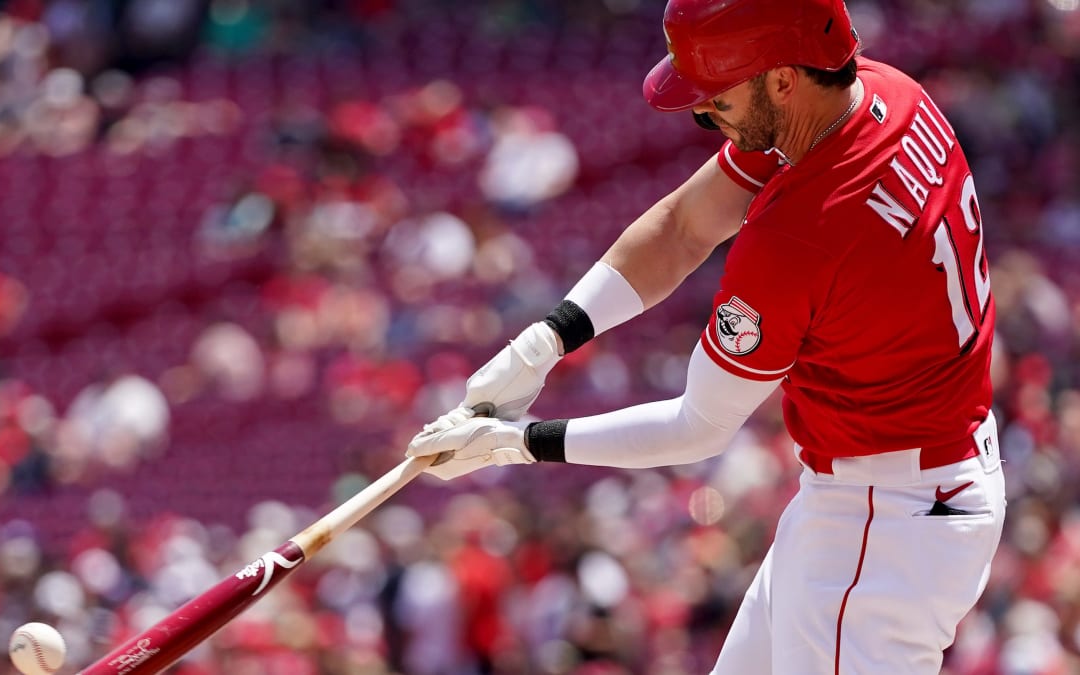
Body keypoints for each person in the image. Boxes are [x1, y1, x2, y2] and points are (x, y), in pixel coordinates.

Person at [406, 0, 1006, 673]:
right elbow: (686, 224)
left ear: (783, 79)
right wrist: (546, 340)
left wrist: (518, 444)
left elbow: (698, 428)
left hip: (889, 521)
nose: (698, 112)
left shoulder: (797, 235)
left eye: (716, 93)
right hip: (888, 496)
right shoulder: (891, 92)